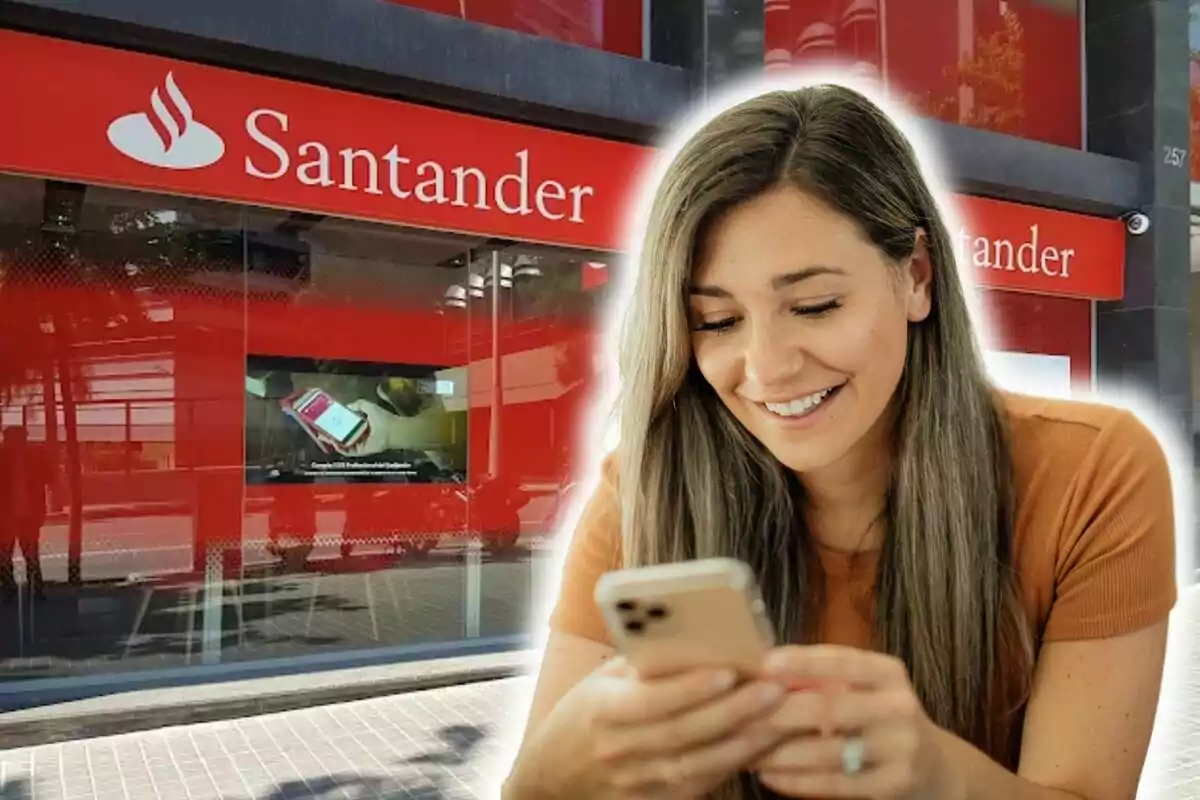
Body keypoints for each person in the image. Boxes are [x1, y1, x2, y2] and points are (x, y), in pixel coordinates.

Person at [500, 84, 1176, 800]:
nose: (767, 367)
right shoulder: (644, 488)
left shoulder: (1092, 473)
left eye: (815, 306)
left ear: (916, 277)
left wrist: (938, 775)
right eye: (718, 321)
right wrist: (549, 775)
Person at [0, 426, 49, 602]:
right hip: (6, 517)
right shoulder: (3, 458)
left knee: (30, 555)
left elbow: (47, 478)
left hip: (27, 516)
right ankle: (10, 589)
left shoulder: (34, 457)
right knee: (6, 556)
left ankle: (34, 590)